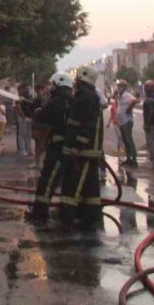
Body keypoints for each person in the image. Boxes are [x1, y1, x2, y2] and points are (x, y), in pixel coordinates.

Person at [59, 66, 104, 230]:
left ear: (83, 79)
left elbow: (88, 126)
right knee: (89, 186)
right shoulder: (85, 96)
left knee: (74, 185)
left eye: (77, 78)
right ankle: (90, 216)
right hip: (84, 150)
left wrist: (78, 145)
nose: (75, 81)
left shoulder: (88, 97)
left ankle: (68, 217)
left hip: (83, 152)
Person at [27, 72, 73, 224]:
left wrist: (36, 110)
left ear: (60, 84)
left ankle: (40, 214)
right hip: (61, 146)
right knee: (59, 181)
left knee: (48, 180)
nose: (50, 88)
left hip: (58, 149)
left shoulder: (58, 101)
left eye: (53, 85)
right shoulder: (67, 100)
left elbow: (42, 116)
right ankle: (63, 214)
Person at [116, 80, 138, 166]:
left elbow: (135, 100)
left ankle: (133, 158)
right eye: (118, 86)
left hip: (126, 121)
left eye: (120, 86)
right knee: (125, 140)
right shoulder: (120, 96)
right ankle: (128, 158)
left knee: (128, 140)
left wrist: (129, 109)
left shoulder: (126, 95)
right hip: (122, 121)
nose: (118, 88)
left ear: (124, 87)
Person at [30, 84, 50, 169]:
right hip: (37, 125)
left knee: (44, 145)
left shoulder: (48, 101)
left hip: (45, 126)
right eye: (37, 90)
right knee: (38, 144)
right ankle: (36, 161)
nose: (39, 92)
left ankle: (41, 161)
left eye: (41, 90)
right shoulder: (35, 101)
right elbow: (32, 112)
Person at [16, 84, 35, 157]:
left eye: (28, 88)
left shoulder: (30, 97)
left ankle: (28, 150)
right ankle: (22, 150)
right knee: (21, 134)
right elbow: (18, 107)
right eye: (26, 88)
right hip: (23, 118)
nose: (27, 90)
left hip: (29, 118)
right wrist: (23, 116)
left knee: (28, 135)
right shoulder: (20, 97)